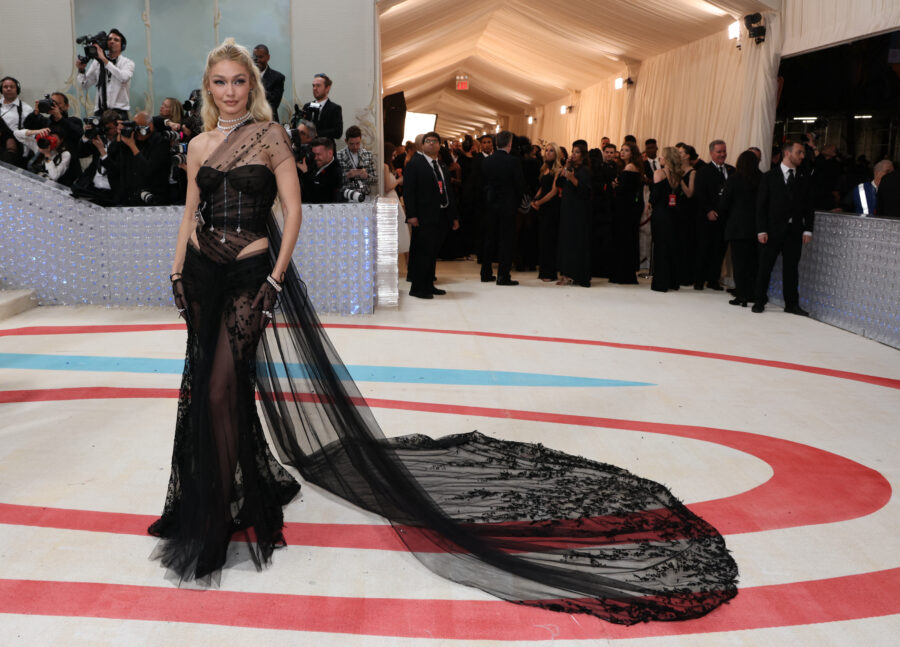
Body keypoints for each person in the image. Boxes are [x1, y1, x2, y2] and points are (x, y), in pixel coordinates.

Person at [149, 39, 739, 626]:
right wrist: (176, 271)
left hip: (251, 273)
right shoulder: (198, 145)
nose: (230, 91)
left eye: (239, 81)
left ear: (252, 85)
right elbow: (188, 214)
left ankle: (215, 514)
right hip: (201, 274)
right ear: (209, 88)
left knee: (225, 386)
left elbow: (294, 211)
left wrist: (275, 280)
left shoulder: (271, 137)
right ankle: (231, 491)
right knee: (211, 388)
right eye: (220, 82)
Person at [752, 140, 814, 315]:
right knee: (765, 267)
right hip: (771, 231)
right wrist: (761, 230)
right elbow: (761, 206)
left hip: (794, 231)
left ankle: (792, 304)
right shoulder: (769, 177)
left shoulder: (804, 178)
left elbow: (809, 206)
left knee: (791, 269)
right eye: (799, 152)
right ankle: (759, 300)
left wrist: (808, 229)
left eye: (803, 153)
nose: (802, 156)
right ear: (787, 153)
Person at [404, 131, 459, 298]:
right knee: (423, 252)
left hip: (441, 214)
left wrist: (454, 216)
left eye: (435, 141)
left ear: (439, 146)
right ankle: (418, 288)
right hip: (423, 215)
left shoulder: (441, 165)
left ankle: (429, 284)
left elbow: (448, 191)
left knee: (432, 252)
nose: (431, 144)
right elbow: (409, 191)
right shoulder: (415, 164)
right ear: (422, 145)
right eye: (428, 141)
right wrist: (411, 215)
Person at [480, 130, 524, 285]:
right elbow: (519, 185)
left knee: (489, 238)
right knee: (506, 240)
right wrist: (517, 202)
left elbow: (483, 183)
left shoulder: (487, 161)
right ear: (510, 143)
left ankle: (485, 273)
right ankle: (503, 275)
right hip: (508, 205)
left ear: (496, 143)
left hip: (490, 204)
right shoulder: (513, 161)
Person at [719, 150, 762, 306]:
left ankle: (741, 294)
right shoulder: (762, 179)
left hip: (737, 226)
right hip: (757, 227)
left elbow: (724, 203)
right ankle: (752, 293)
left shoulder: (733, 179)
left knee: (739, 263)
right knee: (753, 263)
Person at [693, 139, 733, 290]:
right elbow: (700, 194)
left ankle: (713, 280)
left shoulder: (732, 170)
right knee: (704, 249)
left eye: (724, 151)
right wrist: (708, 210)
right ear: (711, 153)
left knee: (720, 250)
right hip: (707, 219)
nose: (722, 154)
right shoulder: (703, 171)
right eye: (719, 152)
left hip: (725, 219)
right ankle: (699, 280)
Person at [75, 28, 134, 119]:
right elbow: (84, 85)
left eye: (116, 40)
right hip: (100, 112)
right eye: (109, 39)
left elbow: (123, 78)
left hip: (119, 111)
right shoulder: (97, 62)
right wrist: (81, 70)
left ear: (122, 46)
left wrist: (104, 60)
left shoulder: (127, 63)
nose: (112, 41)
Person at [556, 140, 592, 287]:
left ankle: (576, 275)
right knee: (566, 241)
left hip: (578, 210)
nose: (573, 154)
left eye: (577, 152)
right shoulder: (570, 168)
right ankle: (565, 274)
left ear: (583, 155)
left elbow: (585, 190)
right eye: (572, 151)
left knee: (576, 242)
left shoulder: (584, 170)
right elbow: (558, 183)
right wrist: (566, 167)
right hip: (567, 208)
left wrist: (572, 178)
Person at [648, 147, 683, 292]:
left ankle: (660, 283)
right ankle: (672, 281)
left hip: (661, 214)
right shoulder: (678, 175)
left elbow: (655, 196)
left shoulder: (659, 173)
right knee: (671, 246)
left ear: (667, 159)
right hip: (674, 214)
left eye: (662, 156)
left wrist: (650, 203)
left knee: (660, 247)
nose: (660, 158)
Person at [608, 141, 643, 284]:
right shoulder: (631, 167)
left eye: (626, 150)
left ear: (632, 153)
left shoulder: (629, 167)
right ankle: (624, 273)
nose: (622, 152)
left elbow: (623, 190)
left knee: (623, 239)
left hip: (625, 209)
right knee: (626, 239)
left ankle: (622, 274)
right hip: (628, 207)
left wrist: (615, 186)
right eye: (622, 150)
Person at [531, 142, 563, 281]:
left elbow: (554, 191)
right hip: (543, 207)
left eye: (551, 151)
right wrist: (535, 199)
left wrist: (539, 202)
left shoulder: (558, 170)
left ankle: (550, 273)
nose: (548, 153)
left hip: (552, 207)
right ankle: (543, 271)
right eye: (547, 150)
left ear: (556, 154)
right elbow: (542, 187)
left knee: (550, 240)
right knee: (543, 239)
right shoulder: (544, 168)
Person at [383, 142, 409, 267]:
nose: (394, 158)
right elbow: (387, 187)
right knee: (399, 230)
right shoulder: (384, 166)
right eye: (393, 155)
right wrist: (398, 180)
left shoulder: (387, 166)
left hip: (393, 199)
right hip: (390, 199)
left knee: (400, 230)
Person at [337, 125, 377, 198]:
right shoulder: (338, 155)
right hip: (347, 197)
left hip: (364, 196)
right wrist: (347, 175)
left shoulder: (368, 155)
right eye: (351, 144)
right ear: (346, 141)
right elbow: (334, 180)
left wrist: (366, 176)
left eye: (358, 143)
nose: (355, 147)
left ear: (361, 140)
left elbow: (375, 180)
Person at [298, 137, 342, 203]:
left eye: (318, 154)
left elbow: (318, 197)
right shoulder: (315, 165)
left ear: (330, 153)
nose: (315, 158)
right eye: (314, 154)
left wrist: (305, 173)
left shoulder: (335, 172)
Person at [301, 73, 342, 139]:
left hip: (326, 144)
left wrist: (317, 134)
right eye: (313, 86)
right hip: (307, 144)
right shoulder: (307, 106)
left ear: (327, 88)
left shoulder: (334, 108)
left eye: (318, 86)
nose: (314, 88)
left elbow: (338, 132)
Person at [1, 76, 30, 166]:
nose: (8, 89)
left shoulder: (26, 109)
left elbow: (29, 133)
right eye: (5, 87)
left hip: (13, 147)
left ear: (17, 89)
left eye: (12, 87)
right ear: (1, 89)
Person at [253, 44, 285, 120]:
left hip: (268, 120)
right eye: (255, 57)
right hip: (249, 121)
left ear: (268, 57)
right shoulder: (247, 77)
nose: (258, 60)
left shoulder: (278, 77)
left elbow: (273, 104)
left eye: (260, 57)